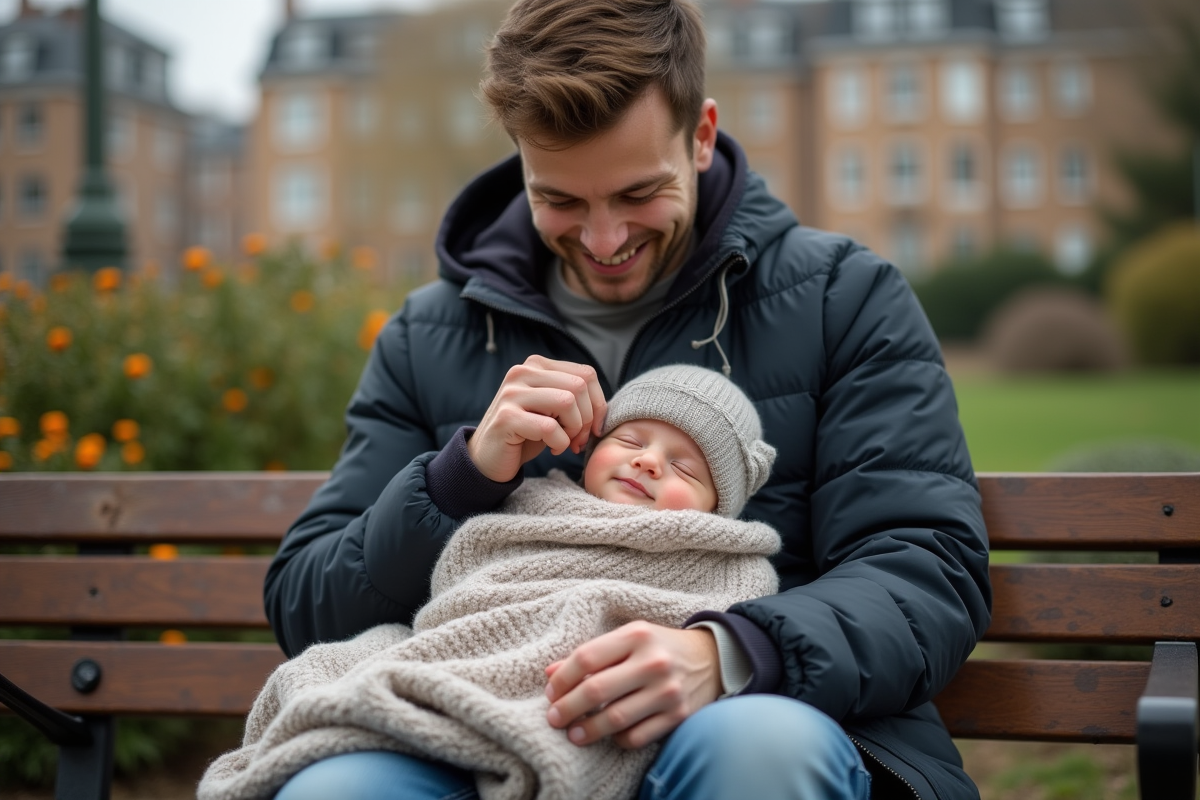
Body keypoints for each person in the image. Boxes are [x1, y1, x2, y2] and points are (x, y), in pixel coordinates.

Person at [263, 0, 992, 798]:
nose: (604, 241)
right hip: (471, 736)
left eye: (639, 192)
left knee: (759, 752)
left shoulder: (843, 299)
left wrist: (732, 653)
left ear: (703, 136)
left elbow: (926, 568)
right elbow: (309, 604)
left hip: (762, 718)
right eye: (562, 202)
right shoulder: (428, 334)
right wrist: (458, 479)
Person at [202, 366, 788, 800]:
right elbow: (465, 584)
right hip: (458, 671)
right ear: (591, 451)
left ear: (718, 510)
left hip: (595, 711)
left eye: (685, 466)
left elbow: (733, 633)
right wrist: (460, 481)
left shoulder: (729, 561)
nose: (648, 461)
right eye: (630, 441)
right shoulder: (528, 502)